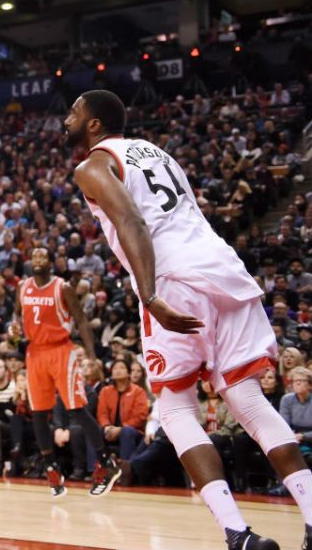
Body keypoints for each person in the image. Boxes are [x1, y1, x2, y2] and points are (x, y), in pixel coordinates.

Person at [66, 89, 309, 550]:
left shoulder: (92, 165)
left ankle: (237, 533)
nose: (66, 119)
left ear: (94, 124)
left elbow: (134, 223)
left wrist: (150, 292)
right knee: (250, 402)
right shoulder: (157, 153)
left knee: (176, 409)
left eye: (73, 112)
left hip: (173, 277)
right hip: (224, 268)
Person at [16, 247, 121, 498]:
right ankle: (51, 467)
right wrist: (13, 330)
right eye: (35, 257)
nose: (38, 260)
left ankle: (107, 463)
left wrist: (93, 357)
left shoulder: (62, 288)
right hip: (35, 352)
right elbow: (18, 316)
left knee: (75, 408)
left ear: (51, 262)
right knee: (39, 412)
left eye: (43, 256)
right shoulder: (22, 286)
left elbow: (82, 321)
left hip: (61, 350)